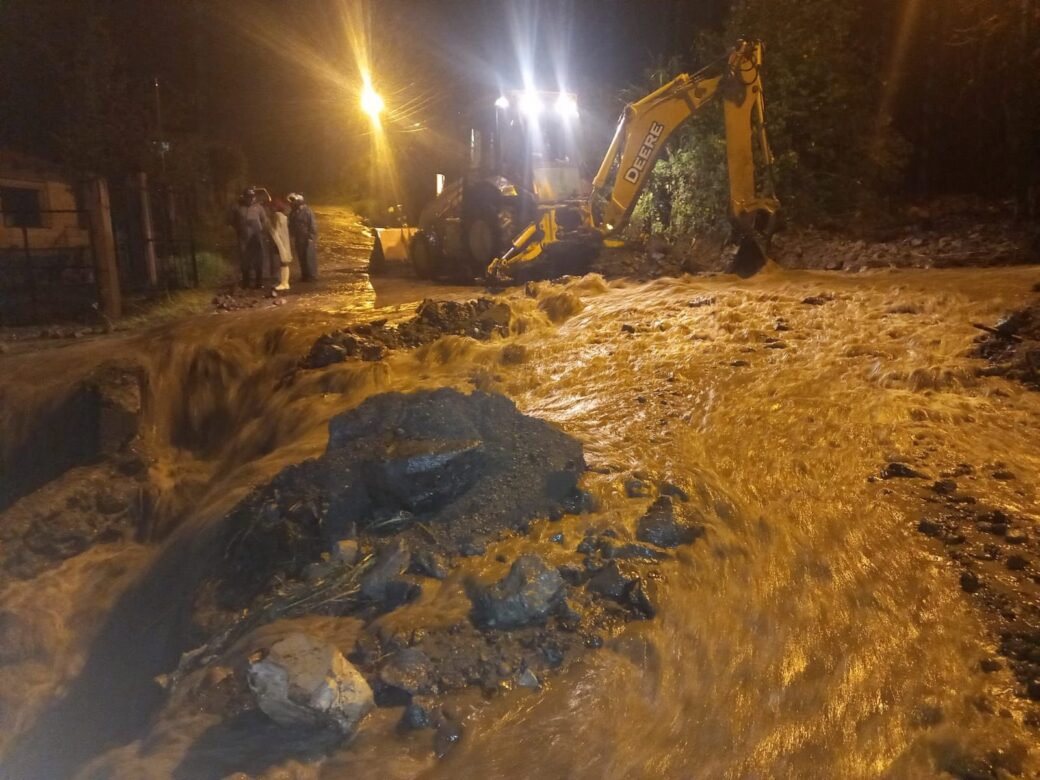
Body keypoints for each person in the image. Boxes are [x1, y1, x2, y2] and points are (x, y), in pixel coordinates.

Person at [227, 187, 270, 288]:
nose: (250, 199)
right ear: (244, 197)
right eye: (248, 197)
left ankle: (258, 282)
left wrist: (262, 232)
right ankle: (246, 282)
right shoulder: (237, 207)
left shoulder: (259, 207)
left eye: (252, 197)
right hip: (243, 238)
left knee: (258, 259)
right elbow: (231, 221)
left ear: (255, 197)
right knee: (245, 260)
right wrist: (238, 229)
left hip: (257, 238)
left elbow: (265, 221)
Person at [287, 193, 318, 281]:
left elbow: (312, 224)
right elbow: (291, 225)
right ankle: (304, 275)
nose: (291, 204)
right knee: (301, 257)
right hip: (298, 237)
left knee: (309, 256)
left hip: (306, 237)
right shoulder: (293, 212)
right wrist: (291, 235)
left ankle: (312, 275)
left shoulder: (307, 211)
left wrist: (311, 237)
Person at [267, 197, 293, 291]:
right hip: (284, 241)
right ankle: (285, 282)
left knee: (282, 263)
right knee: (284, 263)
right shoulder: (284, 216)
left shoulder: (277, 216)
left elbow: (276, 231)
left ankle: (284, 283)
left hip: (280, 242)